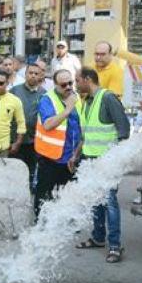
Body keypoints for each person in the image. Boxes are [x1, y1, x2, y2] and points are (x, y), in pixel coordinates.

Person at [74, 67, 130, 263]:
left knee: (110, 203)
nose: (75, 84)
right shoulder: (87, 101)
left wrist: (115, 160)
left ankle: (115, 246)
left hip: (107, 161)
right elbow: (88, 134)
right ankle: (98, 238)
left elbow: (124, 130)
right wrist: (77, 155)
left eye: (77, 80)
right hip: (90, 160)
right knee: (96, 201)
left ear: (88, 79)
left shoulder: (107, 98)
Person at [33, 69, 82, 218]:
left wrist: (76, 154)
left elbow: (81, 128)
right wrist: (67, 109)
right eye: (63, 84)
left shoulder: (77, 98)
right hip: (50, 157)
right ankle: (40, 224)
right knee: (44, 195)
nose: (68, 87)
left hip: (71, 157)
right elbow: (48, 125)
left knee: (67, 196)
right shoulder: (47, 99)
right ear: (55, 85)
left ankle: (64, 223)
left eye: (70, 83)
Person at [10, 62, 47, 191]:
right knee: (16, 170)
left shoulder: (44, 94)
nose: (33, 76)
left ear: (41, 76)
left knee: (31, 169)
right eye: (30, 73)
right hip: (16, 140)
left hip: (34, 140)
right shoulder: (15, 91)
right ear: (25, 74)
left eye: (36, 74)